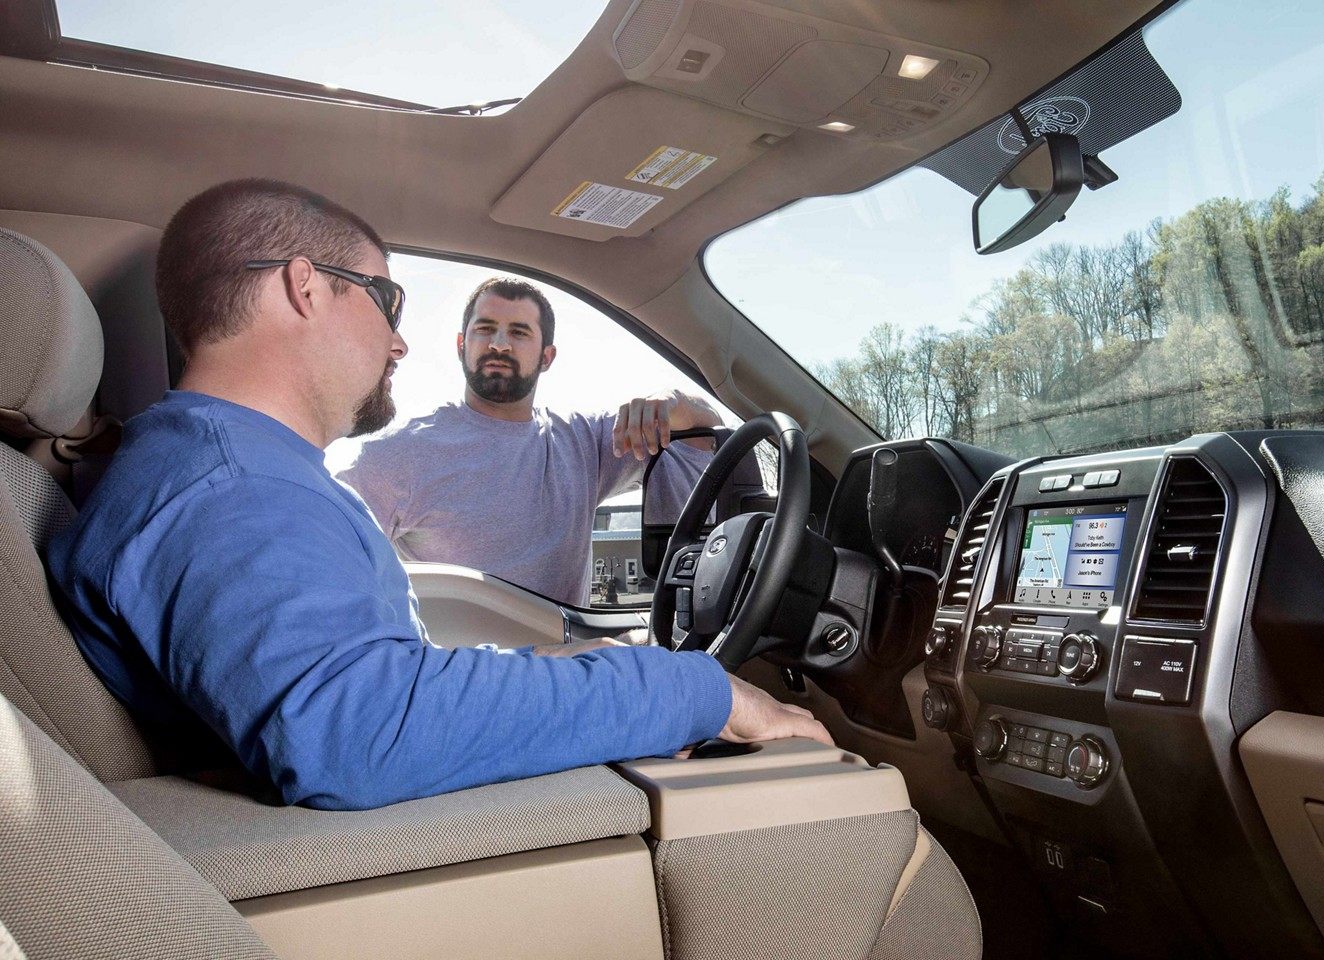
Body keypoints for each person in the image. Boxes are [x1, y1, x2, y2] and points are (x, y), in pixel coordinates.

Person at [46, 178, 830, 811]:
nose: (398, 341)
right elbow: (358, 730)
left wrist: (579, 671)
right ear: (305, 289)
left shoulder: (227, 468)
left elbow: (358, 675)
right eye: (386, 302)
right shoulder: (233, 491)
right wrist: (686, 688)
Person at [338, 276, 720, 606]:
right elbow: (323, 559)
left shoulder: (585, 443)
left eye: (519, 333)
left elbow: (703, 435)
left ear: (547, 357)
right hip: (462, 679)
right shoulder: (398, 455)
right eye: (484, 329)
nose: (499, 344)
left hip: (570, 669)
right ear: (460, 345)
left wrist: (669, 402)